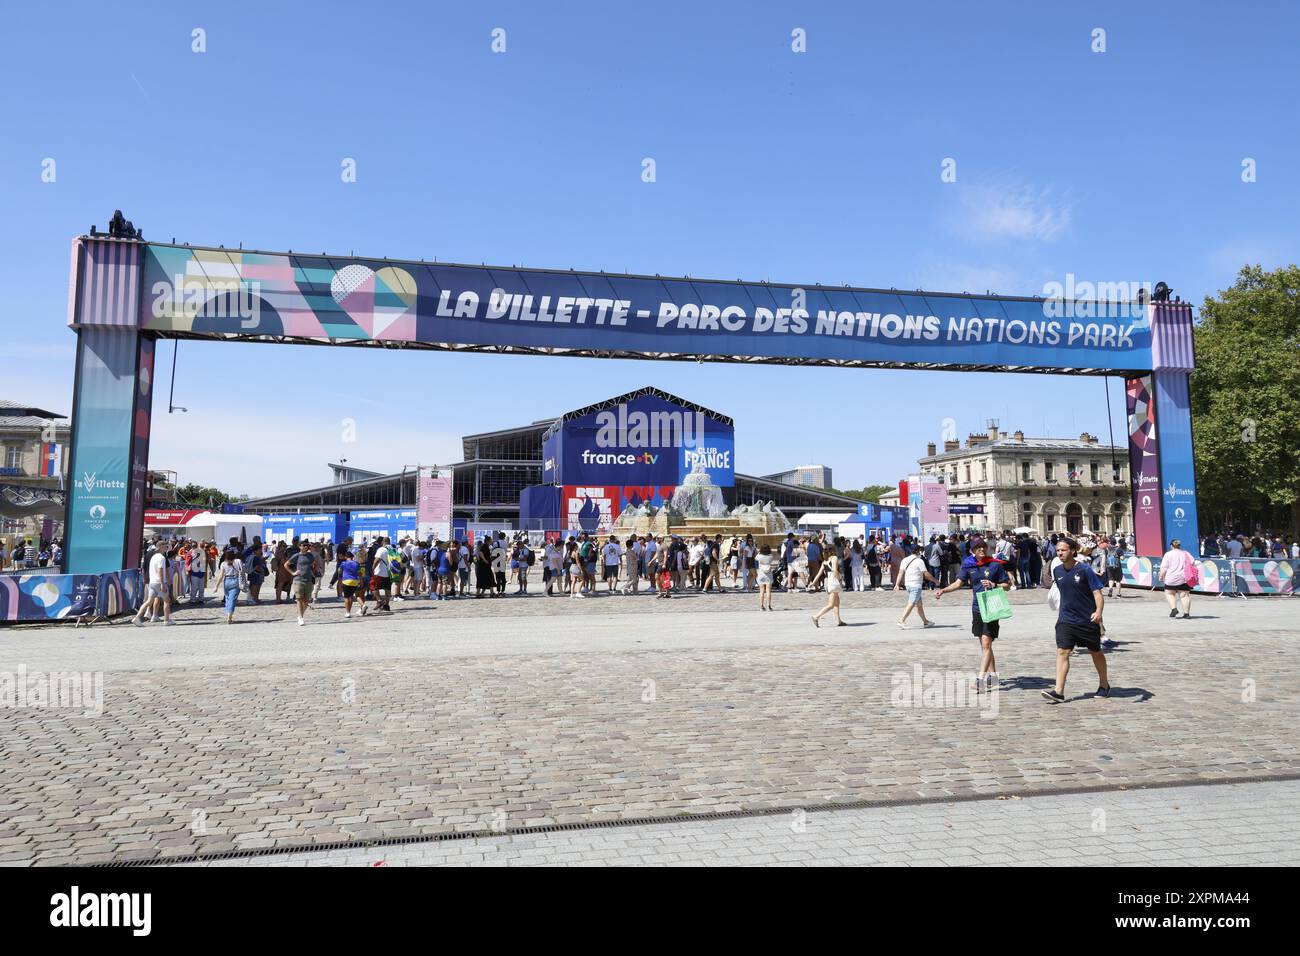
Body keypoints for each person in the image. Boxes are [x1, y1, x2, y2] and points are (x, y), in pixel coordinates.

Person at [934, 536, 1011, 692]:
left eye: (983, 546)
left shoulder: (995, 565)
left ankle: (980, 680)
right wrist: (943, 590)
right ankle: (993, 677)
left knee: (986, 644)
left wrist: (994, 584)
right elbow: (958, 583)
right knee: (984, 646)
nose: (981, 549)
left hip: (991, 607)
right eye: (978, 547)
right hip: (977, 608)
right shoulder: (969, 565)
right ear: (972, 550)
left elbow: (1007, 585)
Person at [1041, 536, 1111, 703]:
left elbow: (1097, 593)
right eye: (1058, 550)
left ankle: (1104, 684)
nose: (1060, 553)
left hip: (1086, 619)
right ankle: (1059, 691)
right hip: (1065, 619)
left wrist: (1099, 612)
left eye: (1063, 550)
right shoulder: (1056, 570)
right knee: (1062, 652)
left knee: (1096, 652)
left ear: (1072, 551)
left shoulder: (1085, 570)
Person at [132, 544, 176, 626]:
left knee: (149, 601)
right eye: (165, 547)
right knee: (167, 600)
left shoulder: (154, 557)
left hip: (152, 582)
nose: (167, 548)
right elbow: (160, 570)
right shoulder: (162, 558)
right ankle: (166, 620)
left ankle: (137, 618)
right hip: (159, 582)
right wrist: (163, 583)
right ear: (160, 547)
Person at [895, 544, 937, 628]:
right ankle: (901, 620)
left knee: (919, 605)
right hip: (916, 585)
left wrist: (897, 584)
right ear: (918, 551)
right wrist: (935, 581)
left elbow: (900, 572)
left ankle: (925, 622)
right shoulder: (919, 561)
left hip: (908, 585)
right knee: (912, 603)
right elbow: (926, 574)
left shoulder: (904, 560)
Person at [1158, 538, 1195, 619]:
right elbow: (1193, 562)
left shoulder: (1168, 554)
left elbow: (1164, 567)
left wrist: (1161, 576)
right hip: (1184, 578)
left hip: (1171, 578)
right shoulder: (1186, 553)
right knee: (1184, 595)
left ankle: (1174, 608)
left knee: (1169, 593)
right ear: (1179, 546)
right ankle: (1186, 614)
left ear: (1171, 546)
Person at [809, 545, 845, 627]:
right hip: (832, 582)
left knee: (837, 602)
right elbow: (835, 570)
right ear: (833, 550)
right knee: (831, 604)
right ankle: (816, 616)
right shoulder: (834, 558)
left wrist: (813, 583)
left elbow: (819, 574)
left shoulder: (824, 561)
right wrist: (840, 579)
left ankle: (839, 621)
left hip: (827, 582)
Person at [217, 548, 244, 624]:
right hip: (235, 580)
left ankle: (228, 613)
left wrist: (217, 586)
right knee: (232, 599)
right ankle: (230, 615)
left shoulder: (223, 564)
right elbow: (242, 570)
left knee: (228, 598)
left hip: (227, 581)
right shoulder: (238, 561)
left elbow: (221, 575)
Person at [338, 548, 366, 617]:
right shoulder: (356, 564)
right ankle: (362, 605)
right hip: (355, 581)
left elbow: (339, 572)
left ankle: (348, 612)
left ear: (345, 557)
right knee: (353, 596)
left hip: (346, 581)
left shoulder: (343, 563)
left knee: (347, 597)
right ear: (352, 557)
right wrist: (361, 582)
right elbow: (360, 573)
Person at [755, 544, 777, 610]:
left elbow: (755, 557)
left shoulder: (760, 556)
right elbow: (771, 559)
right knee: (768, 591)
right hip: (768, 573)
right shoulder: (770, 556)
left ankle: (761, 605)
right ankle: (769, 605)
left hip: (761, 573)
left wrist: (759, 552)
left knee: (761, 590)